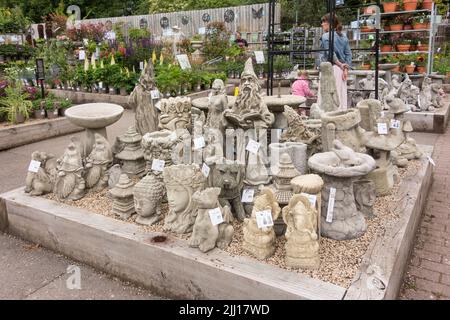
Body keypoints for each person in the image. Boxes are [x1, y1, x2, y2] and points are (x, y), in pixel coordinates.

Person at [319, 13, 352, 109]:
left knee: (328, 98)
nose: (322, 24)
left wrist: (340, 65)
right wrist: (345, 69)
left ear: (330, 23)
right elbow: (348, 54)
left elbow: (330, 54)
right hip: (341, 71)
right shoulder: (344, 37)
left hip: (329, 70)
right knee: (340, 96)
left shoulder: (326, 36)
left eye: (323, 22)